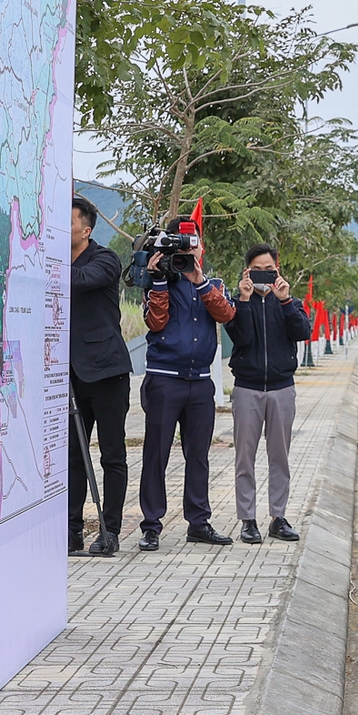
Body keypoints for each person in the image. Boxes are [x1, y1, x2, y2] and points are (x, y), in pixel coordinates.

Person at [136, 216, 237, 551]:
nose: (186, 250)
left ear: (200, 246)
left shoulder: (214, 284)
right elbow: (155, 321)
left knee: (199, 455)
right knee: (156, 454)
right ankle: (151, 525)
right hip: (164, 380)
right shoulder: (155, 283)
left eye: (191, 242)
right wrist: (159, 280)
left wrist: (198, 280)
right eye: (181, 243)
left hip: (201, 383)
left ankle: (198, 522)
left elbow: (225, 315)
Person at [226, 245, 312, 544]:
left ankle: (278, 517)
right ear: (247, 271)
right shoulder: (238, 303)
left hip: (281, 388)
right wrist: (246, 299)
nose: (265, 274)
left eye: (270, 269)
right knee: (244, 459)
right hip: (247, 388)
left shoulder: (290, 301)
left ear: (277, 270)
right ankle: (247, 520)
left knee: (280, 457)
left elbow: (303, 331)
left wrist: (285, 299)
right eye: (258, 269)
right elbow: (241, 337)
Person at [69, 196, 131, 557]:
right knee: (74, 457)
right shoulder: (64, 260)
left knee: (112, 455)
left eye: (69, 221)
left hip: (107, 372)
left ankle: (110, 530)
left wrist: (45, 258)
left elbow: (80, 281)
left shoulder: (105, 259)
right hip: (71, 375)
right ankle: (72, 531)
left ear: (86, 229)